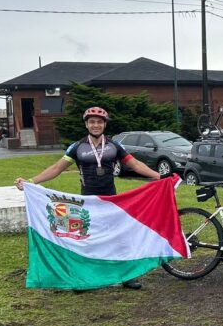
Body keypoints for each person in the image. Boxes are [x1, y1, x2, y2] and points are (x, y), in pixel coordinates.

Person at [15, 106, 162, 290]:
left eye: (99, 122)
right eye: (92, 122)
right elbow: (56, 168)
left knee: (119, 238)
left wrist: (158, 176)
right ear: (86, 124)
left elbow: (135, 164)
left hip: (111, 201)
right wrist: (31, 182)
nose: (96, 125)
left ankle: (126, 276)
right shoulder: (77, 147)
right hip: (87, 201)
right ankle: (83, 278)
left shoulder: (114, 146)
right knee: (86, 239)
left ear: (104, 125)